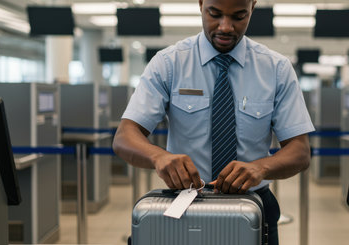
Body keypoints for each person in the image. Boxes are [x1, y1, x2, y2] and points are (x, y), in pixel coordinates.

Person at [112, 0, 314, 244]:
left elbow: (300, 151)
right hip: (185, 205)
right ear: (200, 4)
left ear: (253, 7)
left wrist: (260, 168)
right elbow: (125, 136)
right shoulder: (169, 63)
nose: (225, 27)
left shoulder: (276, 69)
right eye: (215, 14)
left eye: (239, 16)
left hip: (254, 204)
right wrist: (159, 157)